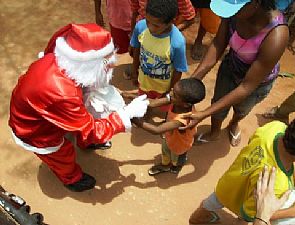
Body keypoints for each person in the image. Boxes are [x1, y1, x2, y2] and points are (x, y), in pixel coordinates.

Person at [9, 23, 149, 192]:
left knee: (84, 115)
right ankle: (71, 178)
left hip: (47, 112)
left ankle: (85, 144)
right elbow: (90, 129)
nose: (110, 67)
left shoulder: (61, 62)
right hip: (37, 132)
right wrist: (126, 114)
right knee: (61, 156)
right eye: (105, 64)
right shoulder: (63, 93)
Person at [183, 0, 289, 147]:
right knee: (218, 102)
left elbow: (247, 87)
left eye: (235, 9)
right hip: (231, 66)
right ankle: (215, 132)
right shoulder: (234, 14)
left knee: (241, 109)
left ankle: (234, 124)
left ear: (256, 3)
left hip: (256, 83)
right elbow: (218, 43)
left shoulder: (276, 35)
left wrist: (203, 114)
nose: (231, 13)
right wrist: (192, 81)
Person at [189, 117, 295, 224]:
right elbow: (250, 213)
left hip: (227, 184)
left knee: (208, 205)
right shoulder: (278, 184)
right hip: (240, 204)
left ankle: (198, 218)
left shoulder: (275, 127)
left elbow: (252, 140)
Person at [133, 78, 206, 175]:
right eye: (172, 90)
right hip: (169, 138)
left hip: (179, 144)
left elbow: (156, 130)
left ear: (185, 104)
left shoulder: (182, 119)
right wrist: (126, 95)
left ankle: (177, 166)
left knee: (177, 158)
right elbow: (152, 103)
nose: (170, 93)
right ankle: (166, 166)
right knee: (166, 152)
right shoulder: (176, 100)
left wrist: (134, 120)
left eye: (174, 94)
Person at [130, 0, 188, 109]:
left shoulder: (177, 42)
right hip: (144, 81)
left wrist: (170, 89)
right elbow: (136, 49)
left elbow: (178, 70)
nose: (150, 28)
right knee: (143, 103)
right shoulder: (141, 27)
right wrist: (134, 71)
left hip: (164, 87)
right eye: (148, 21)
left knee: (164, 107)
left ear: (171, 21)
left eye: (156, 25)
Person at [130, 0, 196, 32]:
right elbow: (135, 12)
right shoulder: (140, 26)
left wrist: (171, 32)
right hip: (142, 31)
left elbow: (190, 19)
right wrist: (132, 35)